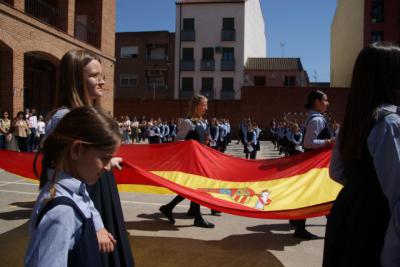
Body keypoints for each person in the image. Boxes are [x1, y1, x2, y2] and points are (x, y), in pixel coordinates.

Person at [45, 49, 134, 267]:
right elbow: (63, 174)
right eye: (95, 76)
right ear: (75, 80)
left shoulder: (87, 113)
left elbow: (83, 157)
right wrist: (96, 223)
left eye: (102, 76)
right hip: (85, 197)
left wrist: (108, 160)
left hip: (97, 191)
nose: (102, 81)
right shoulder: (64, 118)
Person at [323, 43, 400, 266]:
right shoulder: (390, 123)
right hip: (376, 226)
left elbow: (336, 171)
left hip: (347, 216)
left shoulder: (354, 122)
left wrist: (362, 187)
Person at [25, 107, 121, 267]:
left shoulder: (77, 191)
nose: (107, 167)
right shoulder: (62, 212)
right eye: (104, 158)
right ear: (76, 149)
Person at [159, 95, 215, 228]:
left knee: (194, 187)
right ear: (196, 106)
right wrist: (192, 144)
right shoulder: (188, 122)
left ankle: (174, 208)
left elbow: (203, 138)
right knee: (195, 187)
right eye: (204, 105)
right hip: (191, 160)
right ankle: (197, 217)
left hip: (200, 158)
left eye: (206, 105)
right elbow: (177, 141)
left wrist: (207, 141)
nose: (206, 108)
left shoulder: (202, 121)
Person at [289, 89, 335, 240]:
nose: (327, 103)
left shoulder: (314, 117)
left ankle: (297, 221)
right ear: (317, 102)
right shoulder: (317, 120)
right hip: (316, 163)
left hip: (314, 162)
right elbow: (308, 142)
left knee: (314, 193)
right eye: (325, 100)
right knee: (320, 194)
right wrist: (329, 141)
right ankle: (301, 227)